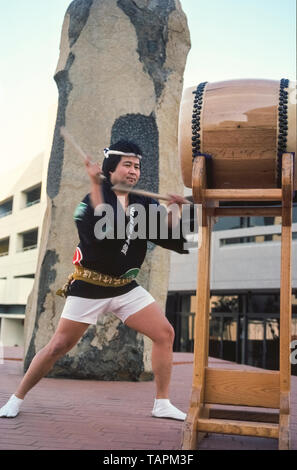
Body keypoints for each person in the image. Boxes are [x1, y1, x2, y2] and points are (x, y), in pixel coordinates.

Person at [0, 140, 188, 421]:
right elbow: (104, 234)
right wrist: (96, 187)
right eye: (127, 164)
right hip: (91, 286)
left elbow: (168, 234)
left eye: (137, 166)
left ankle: (162, 403)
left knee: (165, 334)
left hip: (125, 287)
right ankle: (16, 398)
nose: (133, 171)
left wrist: (177, 210)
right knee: (58, 346)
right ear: (110, 170)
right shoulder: (89, 201)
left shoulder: (143, 202)